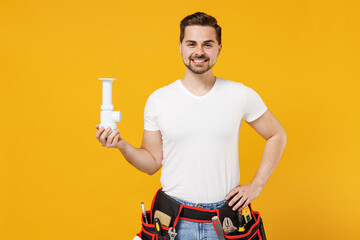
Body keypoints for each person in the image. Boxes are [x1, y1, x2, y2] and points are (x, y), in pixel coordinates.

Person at [95, 12, 287, 239]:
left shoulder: (240, 94)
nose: (199, 52)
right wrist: (121, 145)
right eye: (191, 43)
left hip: (225, 223)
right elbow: (152, 163)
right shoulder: (159, 99)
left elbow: (276, 134)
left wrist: (257, 185)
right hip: (173, 223)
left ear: (219, 48)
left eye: (207, 44)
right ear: (180, 46)